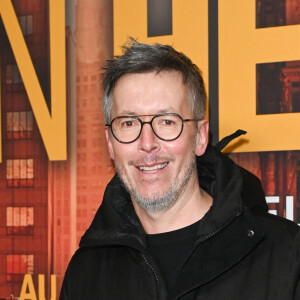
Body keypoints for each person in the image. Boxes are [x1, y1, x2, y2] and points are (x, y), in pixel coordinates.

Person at [59, 39, 300, 300]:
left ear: (200, 137)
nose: (147, 143)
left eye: (166, 121)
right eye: (128, 123)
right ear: (110, 143)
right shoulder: (86, 271)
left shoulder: (287, 255)